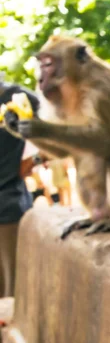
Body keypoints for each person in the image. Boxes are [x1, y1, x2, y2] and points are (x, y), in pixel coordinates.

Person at [0, 79, 40, 298]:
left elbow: (61, 125)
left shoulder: (18, 98)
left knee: (11, 294)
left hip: (8, 211)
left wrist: (36, 158)